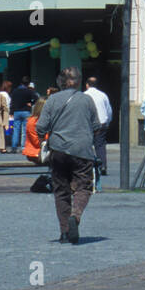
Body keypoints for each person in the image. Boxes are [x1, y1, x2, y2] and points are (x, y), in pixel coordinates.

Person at [35, 67, 99, 244]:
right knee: (83, 187)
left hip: (59, 150)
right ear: (79, 81)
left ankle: (64, 231)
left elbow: (40, 127)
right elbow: (97, 125)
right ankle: (75, 215)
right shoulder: (87, 100)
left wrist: (44, 141)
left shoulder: (52, 100)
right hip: (82, 150)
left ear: (61, 82)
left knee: (61, 190)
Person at [83, 76, 112, 189]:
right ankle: (102, 165)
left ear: (87, 85)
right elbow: (109, 110)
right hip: (102, 123)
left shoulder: (84, 95)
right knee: (100, 145)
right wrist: (108, 121)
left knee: (87, 145)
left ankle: (88, 166)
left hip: (88, 123)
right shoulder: (103, 95)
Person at [10, 78, 38, 156]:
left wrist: (11, 111)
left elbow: (12, 102)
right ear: (28, 84)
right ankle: (23, 146)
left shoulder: (15, 91)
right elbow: (36, 98)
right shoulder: (29, 91)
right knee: (24, 130)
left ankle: (14, 146)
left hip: (17, 111)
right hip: (26, 111)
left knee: (16, 129)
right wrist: (31, 103)